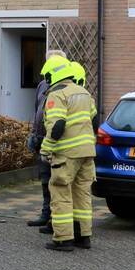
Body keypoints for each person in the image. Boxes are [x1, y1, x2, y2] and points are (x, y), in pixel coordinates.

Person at [38, 54, 98, 252]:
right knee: (82, 194)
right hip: (87, 152)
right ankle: (83, 236)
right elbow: (95, 121)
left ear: (53, 75)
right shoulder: (84, 92)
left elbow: (57, 126)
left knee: (60, 194)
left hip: (67, 153)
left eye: (47, 77)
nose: (46, 81)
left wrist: (45, 149)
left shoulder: (57, 95)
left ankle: (63, 239)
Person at [27, 50, 65, 230]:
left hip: (58, 141)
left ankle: (55, 219)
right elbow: (37, 111)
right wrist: (33, 134)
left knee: (56, 182)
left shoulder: (64, 87)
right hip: (41, 139)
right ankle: (45, 213)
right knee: (44, 179)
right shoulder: (42, 85)